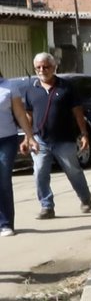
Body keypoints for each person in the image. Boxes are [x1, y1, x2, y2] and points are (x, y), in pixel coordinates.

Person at [21, 52, 91, 218]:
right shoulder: (31, 90)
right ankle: (47, 206)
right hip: (40, 140)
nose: (42, 70)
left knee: (73, 171)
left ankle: (85, 198)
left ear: (54, 67)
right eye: (38, 67)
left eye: (45, 66)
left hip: (64, 139)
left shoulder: (66, 87)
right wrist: (27, 137)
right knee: (40, 173)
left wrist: (84, 134)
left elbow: (78, 112)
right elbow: (28, 116)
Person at [0, 73, 36, 236]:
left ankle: (6, 223)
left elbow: (20, 114)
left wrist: (29, 137)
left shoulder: (9, 87)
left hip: (6, 140)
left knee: (3, 179)